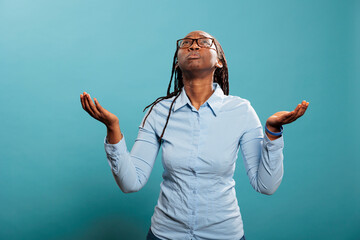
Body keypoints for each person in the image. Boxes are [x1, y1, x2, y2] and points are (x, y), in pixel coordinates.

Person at [80, 30, 309, 240]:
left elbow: (266, 185)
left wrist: (273, 132)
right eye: (186, 43)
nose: (193, 46)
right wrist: (113, 128)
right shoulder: (159, 112)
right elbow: (131, 182)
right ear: (177, 62)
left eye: (203, 42)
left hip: (224, 234)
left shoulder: (241, 111)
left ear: (219, 61)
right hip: (165, 235)